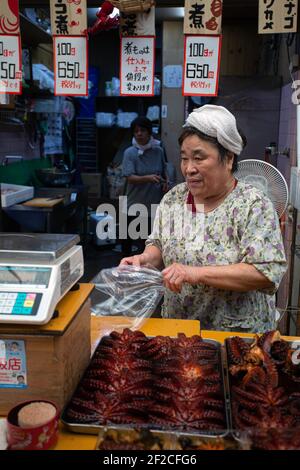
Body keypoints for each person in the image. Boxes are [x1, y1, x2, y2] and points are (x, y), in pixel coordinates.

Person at [120, 105, 287, 332]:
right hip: (180, 333)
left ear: (228, 159)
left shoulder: (253, 205)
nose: (189, 169)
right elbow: (159, 245)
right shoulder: (175, 199)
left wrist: (194, 273)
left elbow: (265, 273)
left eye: (199, 158)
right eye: (184, 158)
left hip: (236, 339)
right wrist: (144, 260)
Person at [121, 116, 167, 254]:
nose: (139, 134)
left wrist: (166, 183)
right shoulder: (130, 153)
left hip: (153, 202)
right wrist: (147, 178)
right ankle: (125, 270)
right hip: (133, 203)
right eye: (136, 131)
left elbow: (164, 171)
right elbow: (129, 177)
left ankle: (146, 271)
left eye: (142, 130)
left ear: (150, 132)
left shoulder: (158, 151)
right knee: (127, 239)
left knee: (148, 241)